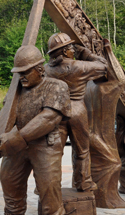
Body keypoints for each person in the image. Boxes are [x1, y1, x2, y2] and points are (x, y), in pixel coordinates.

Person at [0, 45, 72, 215]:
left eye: (25, 72)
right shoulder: (15, 91)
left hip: (45, 145)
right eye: (18, 73)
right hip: (16, 146)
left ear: (40, 69)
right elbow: (4, 115)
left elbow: (48, 118)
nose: (21, 77)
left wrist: (14, 140)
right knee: (10, 191)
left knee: (50, 200)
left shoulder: (56, 87)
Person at [45, 33, 107, 192]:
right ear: (65, 51)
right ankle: (83, 182)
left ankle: (48, 185)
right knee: (82, 150)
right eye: (71, 48)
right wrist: (87, 54)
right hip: (77, 111)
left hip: (56, 112)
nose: (73, 50)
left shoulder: (45, 70)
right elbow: (104, 66)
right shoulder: (79, 66)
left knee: (54, 153)